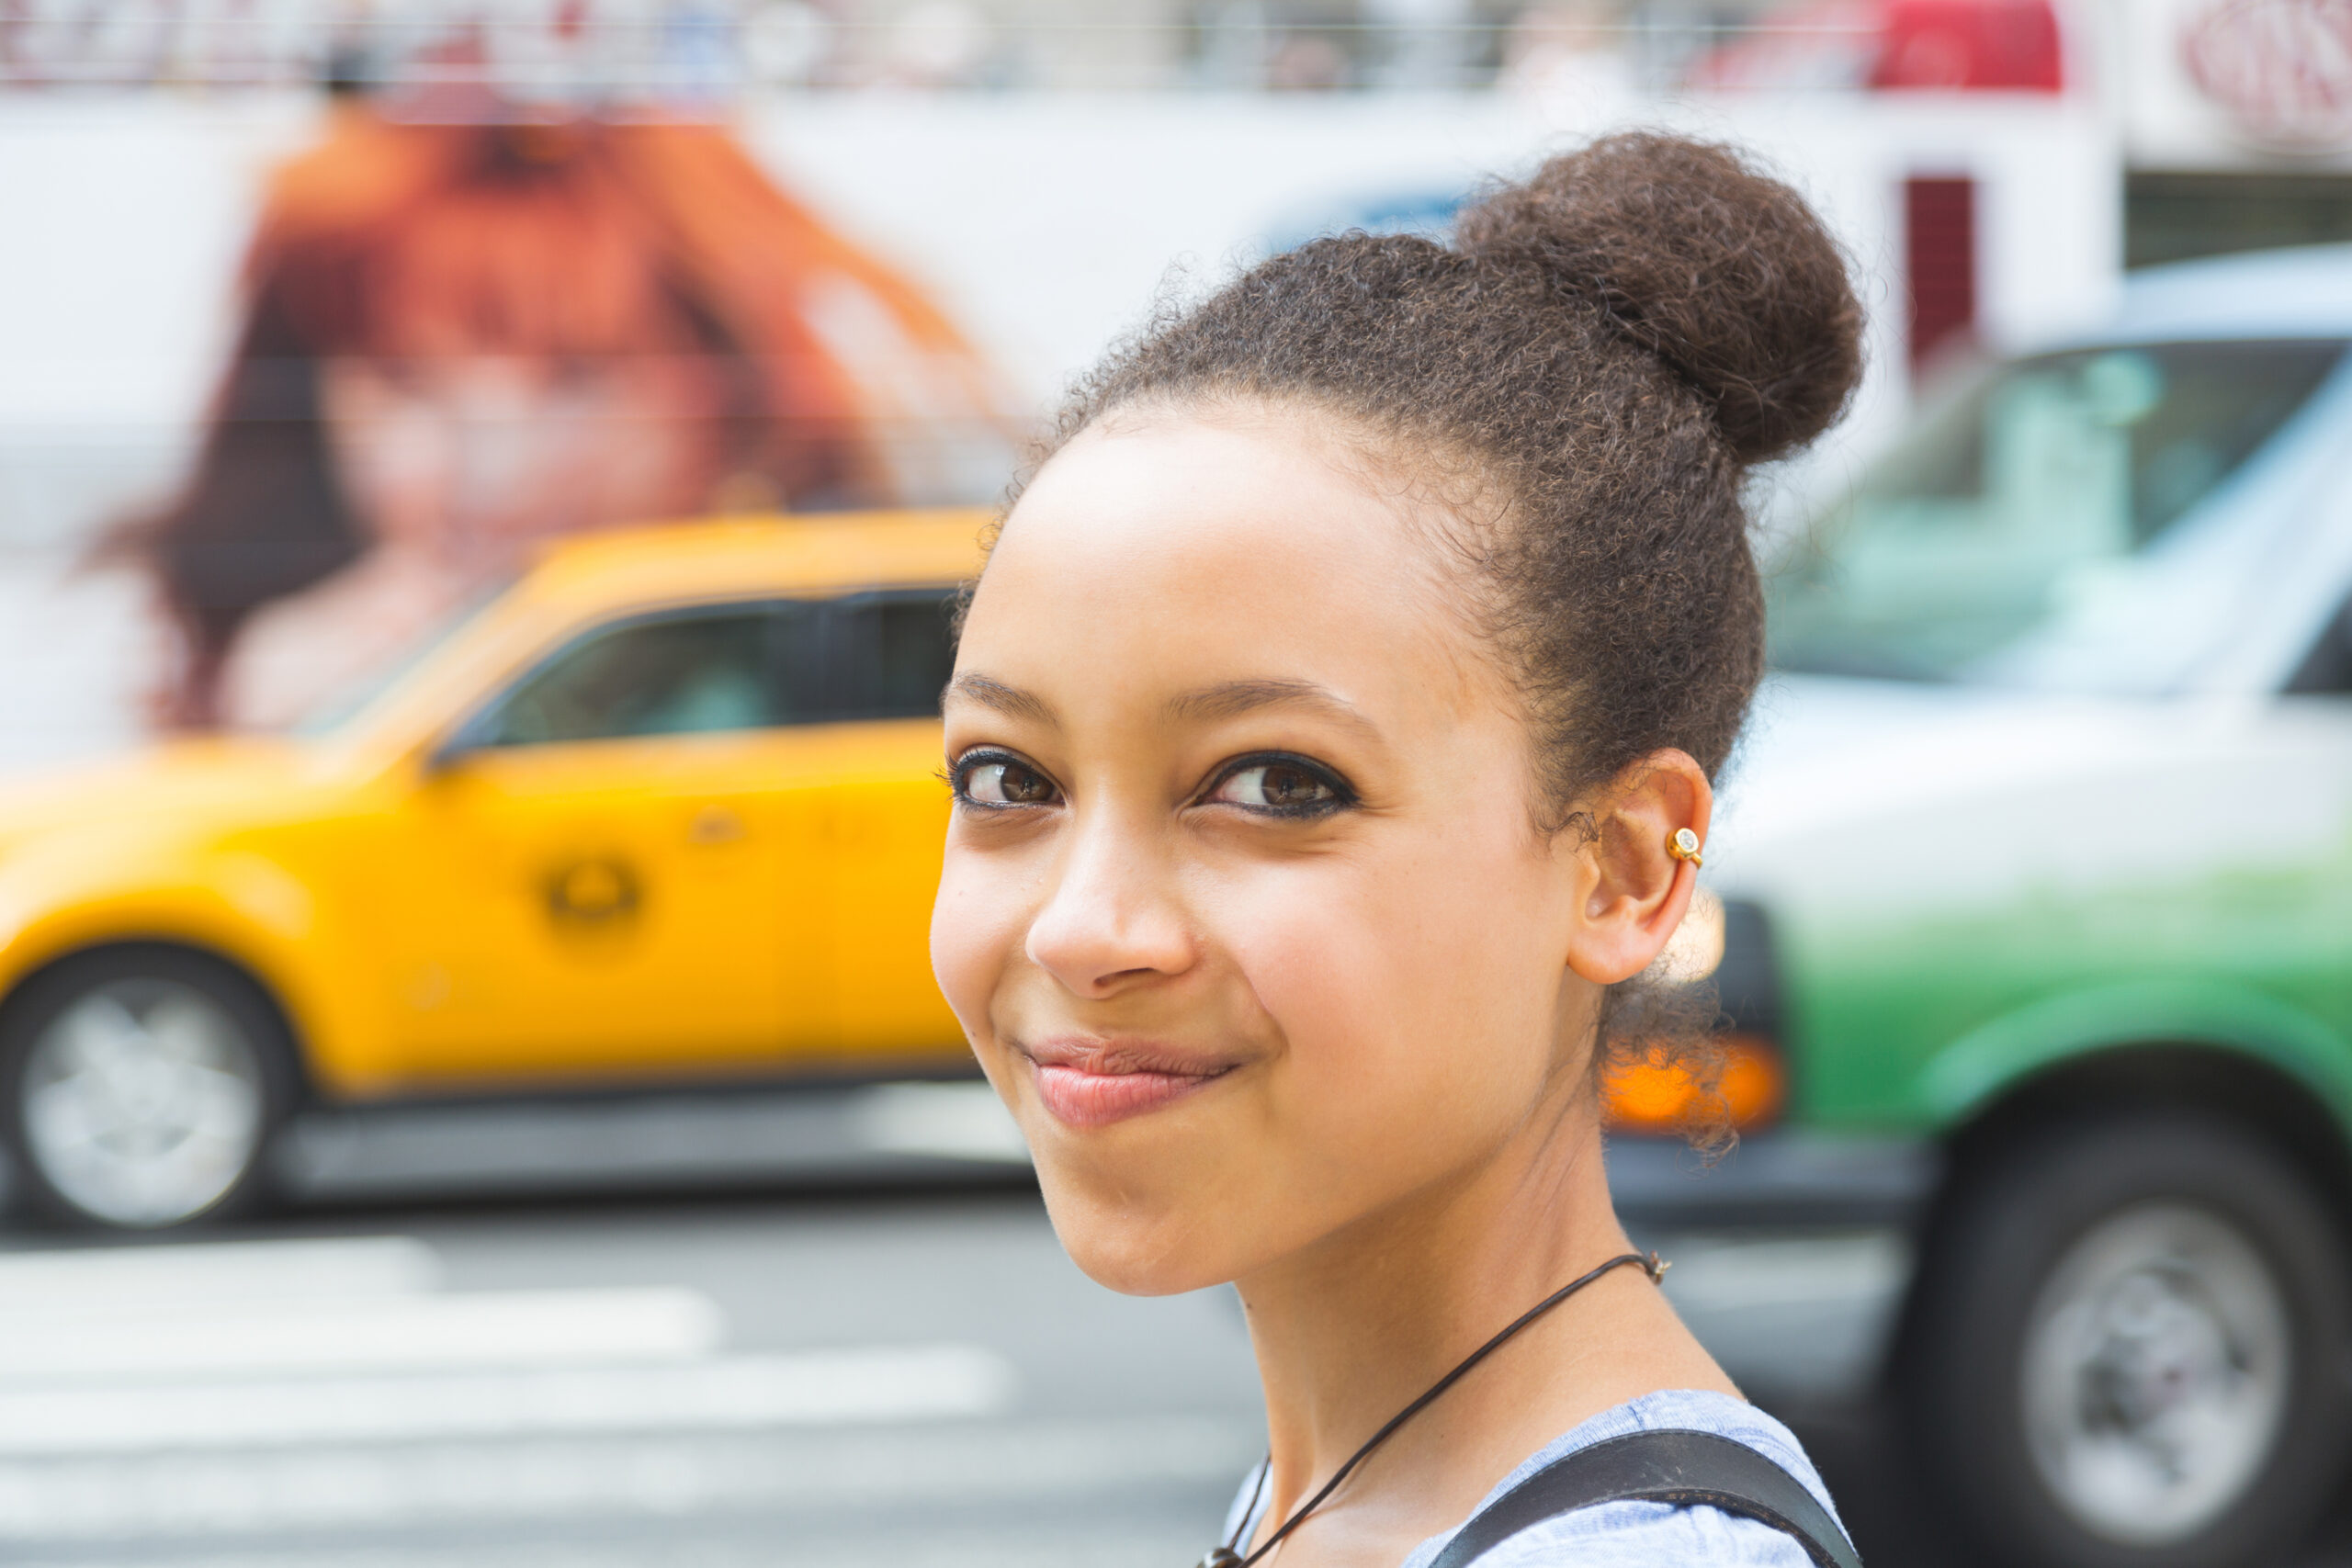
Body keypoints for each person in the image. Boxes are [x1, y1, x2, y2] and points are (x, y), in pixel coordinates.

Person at [931, 132, 1865, 1565]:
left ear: (1624, 869)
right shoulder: (1342, 1493)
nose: (1080, 926)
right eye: (1010, 776)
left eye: (1277, 783)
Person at [128, 99, 1003, 730]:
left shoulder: (868, 643)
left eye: (578, 380)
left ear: (735, 402)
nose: (489, 477)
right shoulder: (230, 650)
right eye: (404, 381)